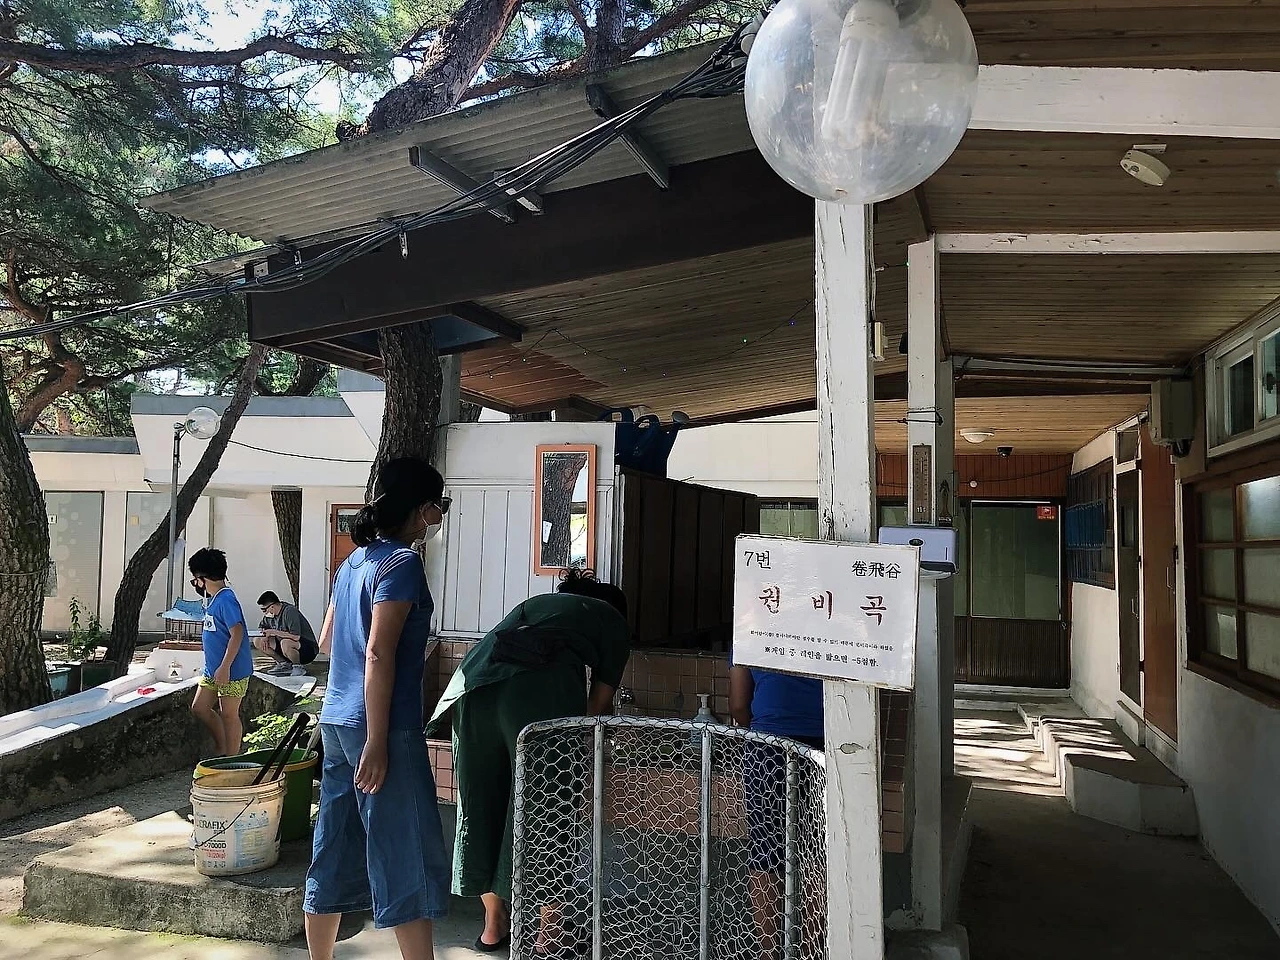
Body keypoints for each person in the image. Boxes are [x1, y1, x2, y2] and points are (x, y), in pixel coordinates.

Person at [426, 569, 632, 953]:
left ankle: (493, 925)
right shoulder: (614, 622)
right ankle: (549, 933)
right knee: (550, 807)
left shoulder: (539, 607)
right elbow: (597, 708)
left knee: (483, 807)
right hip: (536, 693)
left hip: (471, 689)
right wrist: (586, 757)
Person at [304, 457, 452, 960]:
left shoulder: (353, 562)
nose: (438, 518)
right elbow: (378, 652)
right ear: (422, 508)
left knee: (334, 845)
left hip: (336, 718)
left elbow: (329, 641)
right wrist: (377, 739)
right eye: (439, 507)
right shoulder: (402, 563)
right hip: (382, 726)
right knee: (405, 851)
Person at [729, 662, 824, 960]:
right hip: (826, 742)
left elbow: (738, 704)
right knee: (818, 853)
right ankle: (812, 949)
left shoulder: (749, 633)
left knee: (765, 853)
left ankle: (769, 952)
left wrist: (759, 729)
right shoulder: (837, 628)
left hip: (767, 745)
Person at [189, 547, 253, 758]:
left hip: (232, 671)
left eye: (195, 580)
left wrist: (225, 667)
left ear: (202, 579)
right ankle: (222, 747)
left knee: (229, 715)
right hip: (212, 670)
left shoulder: (226, 599)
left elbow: (237, 633)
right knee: (200, 707)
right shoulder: (215, 599)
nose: (195, 585)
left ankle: (231, 760)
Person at [255, 591, 318, 677]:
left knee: (285, 643)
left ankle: (298, 667)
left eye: (264, 610)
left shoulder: (289, 611)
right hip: (283, 646)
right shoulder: (269, 616)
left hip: (306, 648)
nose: (265, 613)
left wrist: (274, 632)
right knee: (258, 641)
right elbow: (262, 626)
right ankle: (284, 664)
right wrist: (264, 636)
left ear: (272, 606)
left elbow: (296, 636)